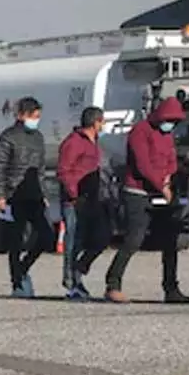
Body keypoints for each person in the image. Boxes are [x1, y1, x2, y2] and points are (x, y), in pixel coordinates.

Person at [105, 95, 189, 304]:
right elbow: (143, 165)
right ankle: (113, 283)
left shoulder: (168, 134)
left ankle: (171, 288)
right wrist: (160, 186)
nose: (170, 125)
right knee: (135, 239)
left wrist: (169, 179)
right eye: (168, 120)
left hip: (162, 193)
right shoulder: (140, 131)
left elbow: (171, 159)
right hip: (138, 193)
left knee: (170, 241)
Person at [0, 97, 52, 299]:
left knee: (46, 236)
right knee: (16, 241)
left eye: (38, 117)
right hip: (13, 196)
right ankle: (17, 282)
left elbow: (40, 170)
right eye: (33, 116)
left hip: (34, 196)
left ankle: (23, 267)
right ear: (21, 115)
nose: (36, 120)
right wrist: (0, 195)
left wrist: (43, 194)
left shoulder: (38, 138)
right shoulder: (8, 137)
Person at [57, 106, 108, 301]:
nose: (103, 126)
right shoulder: (74, 143)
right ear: (95, 123)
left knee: (101, 236)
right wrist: (73, 194)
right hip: (75, 201)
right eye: (102, 122)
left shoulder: (93, 142)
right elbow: (64, 171)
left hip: (91, 198)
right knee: (73, 241)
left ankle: (79, 269)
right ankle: (71, 282)